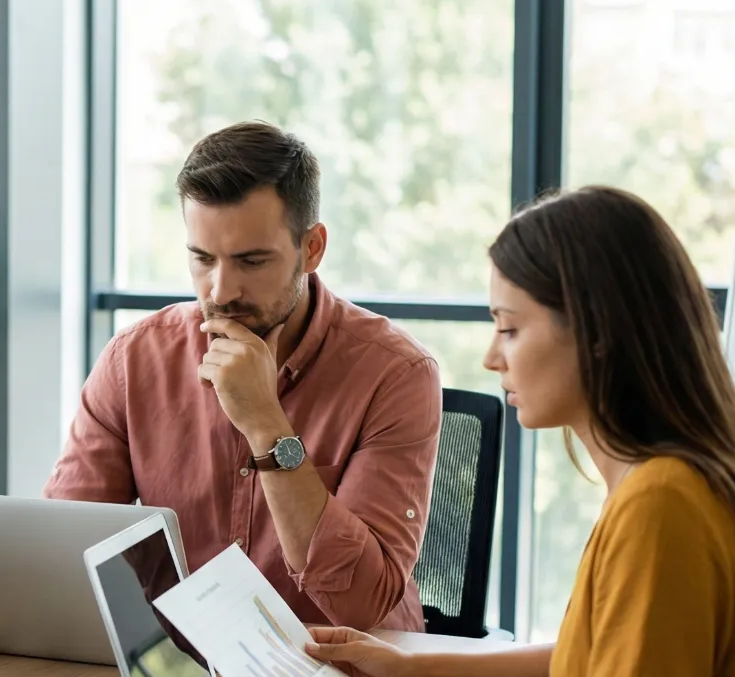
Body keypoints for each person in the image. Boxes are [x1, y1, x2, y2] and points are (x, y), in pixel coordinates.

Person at [248, 186, 735, 677]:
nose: (491, 358)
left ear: (595, 335)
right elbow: (607, 664)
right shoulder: (677, 479)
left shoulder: (664, 506)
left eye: (508, 327)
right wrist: (413, 670)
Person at [46, 121, 441, 631]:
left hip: (342, 673)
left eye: (251, 261)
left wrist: (266, 425)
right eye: (201, 258)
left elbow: (362, 603)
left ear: (313, 248)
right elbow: (65, 551)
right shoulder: (134, 360)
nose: (222, 289)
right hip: (187, 675)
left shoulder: (396, 373)